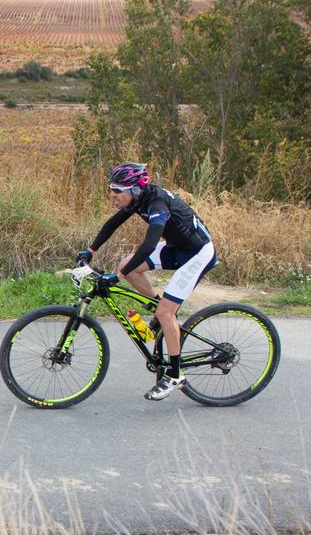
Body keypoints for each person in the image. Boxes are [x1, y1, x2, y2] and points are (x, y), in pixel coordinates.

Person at [75, 162, 217, 400]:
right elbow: (112, 224)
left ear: (135, 189)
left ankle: (174, 375)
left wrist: (117, 278)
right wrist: (90, 250)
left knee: (165, 312)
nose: (112, 195)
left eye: (117, 190)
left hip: (198, 253)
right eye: (112, 189)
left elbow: (149, 245)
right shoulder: (137, 199)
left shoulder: (157, 204)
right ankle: (157, 308)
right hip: (177, 248)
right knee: (127, 266)